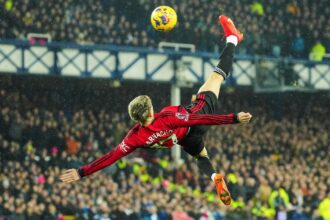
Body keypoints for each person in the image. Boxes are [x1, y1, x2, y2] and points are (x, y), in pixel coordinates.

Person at [60, 15, 252, 206]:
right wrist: (233, 118)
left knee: (201, 156)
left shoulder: (134, 137)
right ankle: (232, 38)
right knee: (217, 76)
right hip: (196, 118)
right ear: (150, 110)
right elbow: (197, 120)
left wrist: (81, 172)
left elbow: (110, 157)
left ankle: (214, 176)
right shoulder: (166, 116)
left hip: (185, 140)